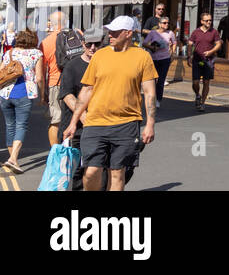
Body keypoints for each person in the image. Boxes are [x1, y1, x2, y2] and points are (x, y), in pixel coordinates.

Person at [63, 16, 157, 192]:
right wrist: (73, 121)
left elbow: (150, 93)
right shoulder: (100, 55)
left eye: (115, 32)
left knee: (117, 173)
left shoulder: (142, 57)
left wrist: (150, 124)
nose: (110, 35)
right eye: (109, 31)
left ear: (128, 34)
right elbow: (87, 90)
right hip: (95, 123)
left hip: (126, 124)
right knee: (91, 171)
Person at [59, 26, 103, 191]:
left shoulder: (104, 64)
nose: (92, 48)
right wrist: (84, 118)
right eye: (89, 44)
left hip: (99, 127)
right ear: (83, 43)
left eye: (96, 44)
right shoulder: (72, 66)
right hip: (77, 128)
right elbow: (67, 95)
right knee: (76, 173)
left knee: (97, 169)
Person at [0, 28, 43, 173]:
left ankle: (13, 158)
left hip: (5, 94)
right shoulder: (36, 53)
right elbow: (39, 78)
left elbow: (1, 72)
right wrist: (43, 95)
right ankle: (13, 159)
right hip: (24, 94)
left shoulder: (9, 53)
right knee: (21, 126)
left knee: (10, 126)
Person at [40, 12, 69, 147]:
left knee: (55, 120)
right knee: (75, 117)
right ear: (65, 21)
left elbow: (42, 72)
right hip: (75, 82)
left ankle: (55, 153)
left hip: (55, 83)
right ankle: (72, 150)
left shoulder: (46, 42)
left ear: (51, 23)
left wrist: (43, 94)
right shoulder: (77, 35)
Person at [188, 13, 222, 112]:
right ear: (202, 21)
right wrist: (189, 56)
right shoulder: (195, 32)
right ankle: (197, 95)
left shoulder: (214, 32)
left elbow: (218, 44)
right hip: (197, 59)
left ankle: (202, 103)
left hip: (209, 60)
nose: (209, 22)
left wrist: (211, 52)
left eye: (210, 20)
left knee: (206, 82)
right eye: (206, 20)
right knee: (195, 82)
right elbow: (190, 44)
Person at [142, 17, 176, 105]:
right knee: (152, 80)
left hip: (165, 59)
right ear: (159, 24)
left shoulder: (170, 33)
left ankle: (158, 100)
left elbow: (174, 43)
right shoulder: (153, 33)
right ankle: (151, 97)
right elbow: (144, 43)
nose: (166, 25)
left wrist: (172, 53)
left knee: (161, 80)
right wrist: (152, 47)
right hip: (154, 59)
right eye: (164, 23)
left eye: (168, 23)